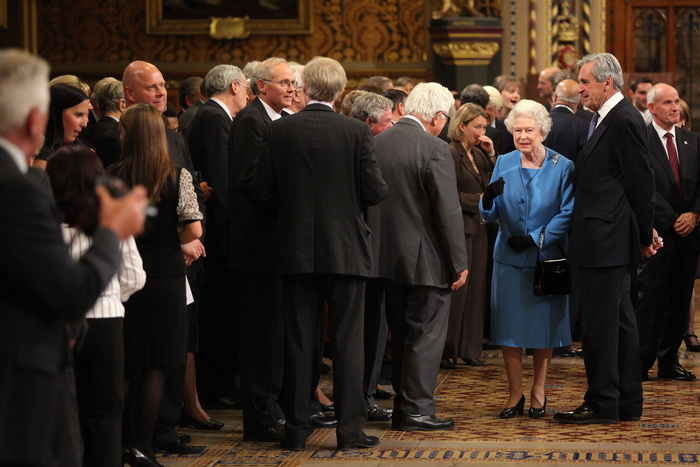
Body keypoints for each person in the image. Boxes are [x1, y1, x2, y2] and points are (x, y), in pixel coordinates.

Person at [0, 48, 147, 467]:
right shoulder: (20, 186)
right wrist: (110, 231)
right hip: (22, 372)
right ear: (35, 120)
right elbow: (68, 292)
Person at [252, 56, 388, 451]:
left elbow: (260, 190)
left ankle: (295, 431)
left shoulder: (280, 131)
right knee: (348, 343)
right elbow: (376, 190)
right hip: (347, 251)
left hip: (294, 250)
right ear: (340, 91)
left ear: (305, 88)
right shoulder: (355, 132)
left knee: (298, 340)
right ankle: (349, 432)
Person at [554, 53, 657, 425]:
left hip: (606, 241)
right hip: (604, 238)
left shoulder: (623, 119)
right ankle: (625, 403)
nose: (579, 88)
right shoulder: (604, 117)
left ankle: (602, 402)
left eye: (585, 82)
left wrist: (644, 235)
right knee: (620, 324)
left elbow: (641, 183)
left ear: (608, 83)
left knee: (601, 328)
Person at [369, 82, 468, 431]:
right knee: (425, 337)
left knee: (400, 333)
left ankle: (403, 406)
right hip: (426, 260)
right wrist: (460, 262)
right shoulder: (433, 148)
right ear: (438, 117)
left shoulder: (377, 141)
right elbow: (447, 211)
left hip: (382, 259)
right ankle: (416, 411)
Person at [109, 104, 203, 466]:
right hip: (165, 277)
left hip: (124, 277)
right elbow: (194, 229)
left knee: (126, 363)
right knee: (156, 366)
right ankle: (143, 447)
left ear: (128, 136)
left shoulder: (112, 174)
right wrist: (170, 235)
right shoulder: (175, 174)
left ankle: (116, 444)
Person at [45, 145, 146, 467]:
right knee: (104, 416)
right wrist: (111, 295)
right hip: (106, 322)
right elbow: (134, 275)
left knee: (62, 415)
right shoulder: (110, 221)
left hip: (56, 325)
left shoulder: (41, 225)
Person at [479, 99, 574, 418]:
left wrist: (535, 239)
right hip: (508, 258)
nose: (523, 136)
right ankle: (515, 392)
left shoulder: (563, 166)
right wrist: (487, 201)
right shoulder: (504, 161)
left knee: (543, 329)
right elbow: (489, 209)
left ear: (543, 131)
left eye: (529, 130)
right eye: (517, 130)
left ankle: (539, 390)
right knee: (509, 328)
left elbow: (567, 211)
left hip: (544, 259)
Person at [227, 56, 295, 443]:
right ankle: (259, 418)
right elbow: (249, 182)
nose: (291, 88)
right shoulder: (251, 120)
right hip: (257, 248)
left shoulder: (276, 119)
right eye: (284, 82)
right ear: (261, 87)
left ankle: (275, 410)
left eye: (292, 83)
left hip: (275, 247)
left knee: (275, 336)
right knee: (259, 338)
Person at [635, 83, 700, 382]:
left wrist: (694, 215)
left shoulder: (691, 141)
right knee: (651, 301)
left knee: (679, 300)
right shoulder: (641, 141)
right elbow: (642, 188)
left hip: (689, 237)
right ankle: (640, 362)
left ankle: (669, 360)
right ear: (652, 108)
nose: (675, 107)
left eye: (677, 102)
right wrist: (673, 219)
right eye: (668, 103)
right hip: (658, 235)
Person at [441, 103, 495, 369]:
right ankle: (448, 348)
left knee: (476, 291)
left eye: (484, 127)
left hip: (480, 229)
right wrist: (479, 200)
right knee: (459, 291)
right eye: (477, 127)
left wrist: (492, 154)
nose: (481, 132)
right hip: (461, 229)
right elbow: (447, 192)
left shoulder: (480, 154)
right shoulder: (451, 152)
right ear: (461, 126)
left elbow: (496, 184)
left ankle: (470, 349)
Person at [33, 83, 93, 169]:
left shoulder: (71, 148)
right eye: (79, 115)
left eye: (87, 115)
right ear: (55, 113)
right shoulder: (40, 158)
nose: (84, 124)